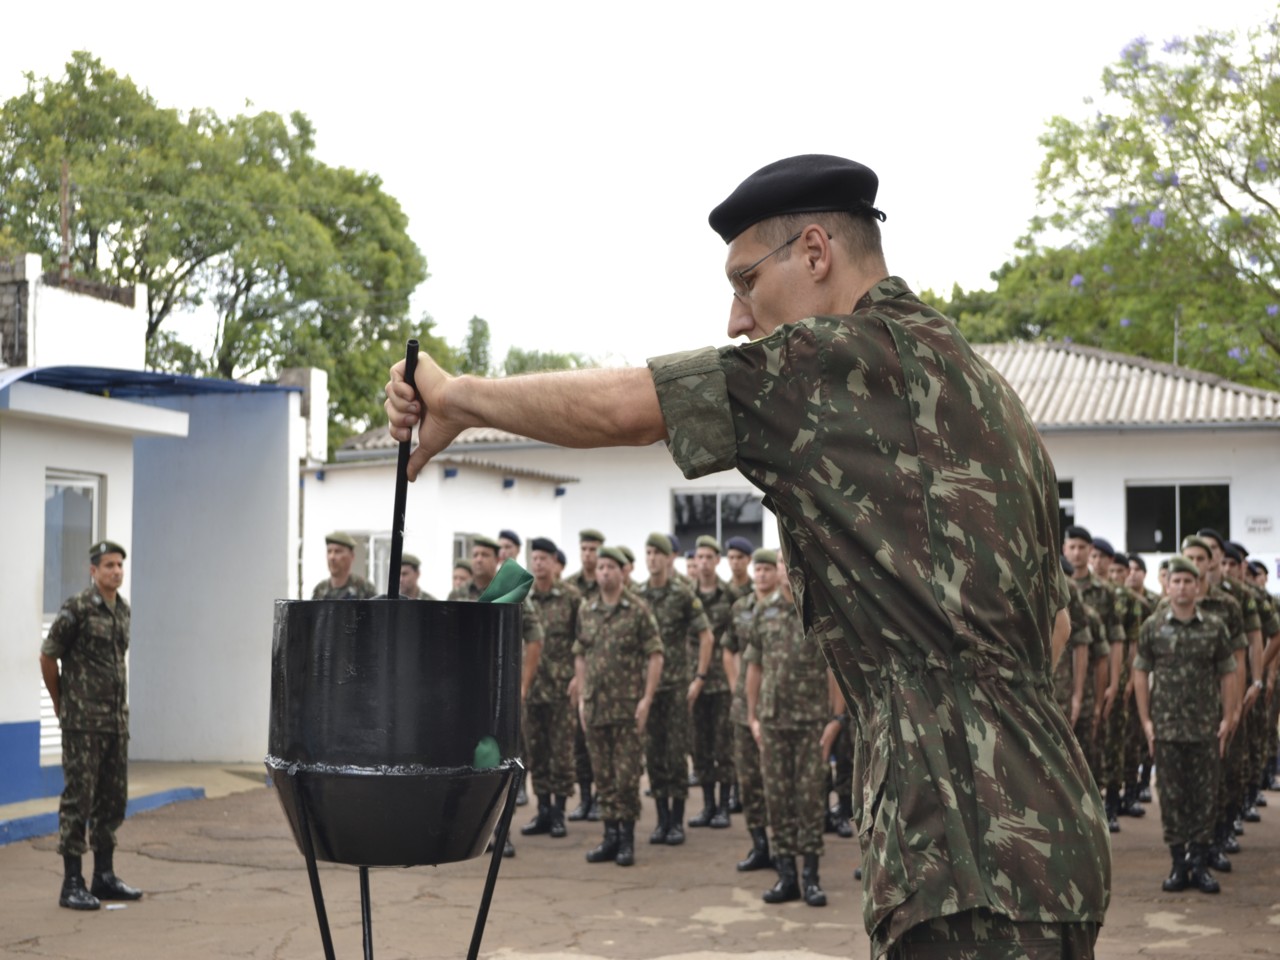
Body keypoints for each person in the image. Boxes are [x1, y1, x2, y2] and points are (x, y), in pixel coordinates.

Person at [386, 153, 1110, 957]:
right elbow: (1054, 629)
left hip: (963, 846)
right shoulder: (985, 389)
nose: (736, 319)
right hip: (1047, 832)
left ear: (814, 253)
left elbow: (631, 406)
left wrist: (457, 397)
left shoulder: (841, 358)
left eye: (745, 282)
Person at [39, 540, 143, 910]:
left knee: (112, 800)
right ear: (93, 570)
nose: (116, 571)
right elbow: (48, 656)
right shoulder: (77, 608)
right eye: (109, 565)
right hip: (82, 723)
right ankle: (71, 883)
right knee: (78, 801)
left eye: (119, 565)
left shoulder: (123, 611)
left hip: (115, 722)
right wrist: (59, 702)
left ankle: (104, 876)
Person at [1132, 556, 1237, 894]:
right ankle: (1178, 862)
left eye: (1188, 581)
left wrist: (1228, 717)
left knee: (1206, 797)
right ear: (1167, 585)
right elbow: (1140, 673)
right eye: (1176, 581)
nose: (1181, 587)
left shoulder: (1214, 627)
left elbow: (1228, 672)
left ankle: (1199, 863)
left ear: (1197, 586)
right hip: (1167, 729)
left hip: (1205, 728)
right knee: (1173, 798)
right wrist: (1146, 721)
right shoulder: (1153, 626)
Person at [745, 555, 835, 907]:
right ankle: (786, 876)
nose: (783, 567)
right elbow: (754, 667)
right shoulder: (763, 611)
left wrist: (835, 719)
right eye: (779, 561)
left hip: (811, 722)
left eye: (788, 560)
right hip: (772, 722)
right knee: (777, 799)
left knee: (811, 799)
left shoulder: (817, 610)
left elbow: (833, 668)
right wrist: (752, 716)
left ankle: (811, 876)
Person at [571, 546, 664, 866]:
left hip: (627, 709)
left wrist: (647, 699)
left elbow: (655, 654)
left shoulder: (637, 610)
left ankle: (626, 839)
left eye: (610, 567)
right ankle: (609, 836)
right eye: (600, 567)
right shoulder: (587, 610)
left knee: (625, 777)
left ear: (622, 572)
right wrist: (582, 696)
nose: (604, 572)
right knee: (603, 775)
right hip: (596, 706)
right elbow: (580, 653)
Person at [637, 532, 713, 844]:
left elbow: (706, 635)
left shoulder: (682, 594)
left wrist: (699, 677)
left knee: (676, 754)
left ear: (669, 557)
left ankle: (677, 820)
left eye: (658, 552)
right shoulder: (638, 594)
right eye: (648, 551)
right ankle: (662, 819)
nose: (652, 557)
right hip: (649, 688)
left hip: (677, 686)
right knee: (654, 754)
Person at [521, 537, 581, 839]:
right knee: (536, 751)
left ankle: (559, 812)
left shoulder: (571, 597)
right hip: (532, 689)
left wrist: (577, 678)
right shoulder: (524, 597)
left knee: (561, 753)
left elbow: (583, 640)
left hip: (561, 688)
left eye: (544, 558)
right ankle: (542, 810)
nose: (538, 564)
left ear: (554, 562)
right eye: (535, 559)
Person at [686, 535, 736, 829]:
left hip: (721, 682)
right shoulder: (686, 595)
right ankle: (707, 805)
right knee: (699, 745)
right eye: (699, 558)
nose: (703, 563)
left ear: (718, 561)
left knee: (723, 746)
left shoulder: (730, 596)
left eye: (709, 557)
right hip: (694, 681)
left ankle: (724, 806)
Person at [312, 532, 378, 599]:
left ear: (351, 556)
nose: (332, 557)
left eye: (337, 551)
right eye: (329, 551)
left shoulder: (365, 589)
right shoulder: (320, 590)